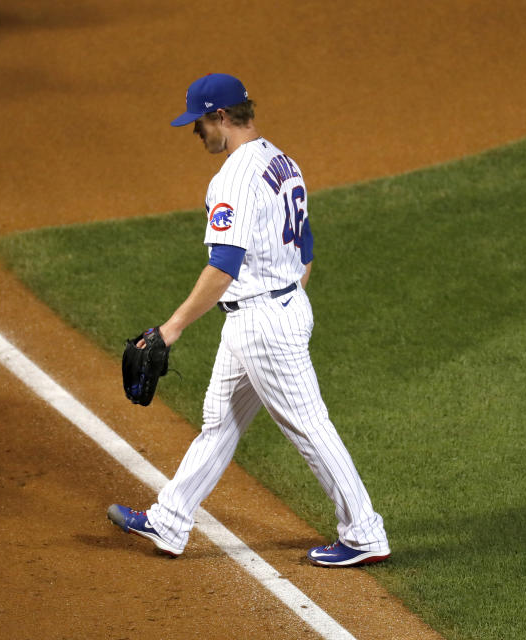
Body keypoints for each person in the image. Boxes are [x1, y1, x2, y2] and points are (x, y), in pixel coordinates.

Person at [108, 73, 390, 567]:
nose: (196, 133)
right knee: (219, 423)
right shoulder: (281, 160)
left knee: (309, 426)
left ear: (220, 116)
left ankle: (364, 533)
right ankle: (170, 519)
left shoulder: (233, 177)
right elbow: (305, 248)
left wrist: (170, 329)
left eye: (199, 123)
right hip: (271, 310)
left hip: (263, 322)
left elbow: (223, 266)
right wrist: (283, 293)